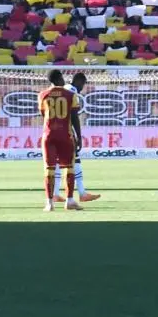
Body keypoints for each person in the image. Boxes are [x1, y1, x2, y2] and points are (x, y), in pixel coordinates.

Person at [54, 72, 101, 204]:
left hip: (54, 130)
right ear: (80, 82)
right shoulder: (72, 93)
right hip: (66, 132)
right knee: (76, 162)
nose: (83, 87)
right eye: (83, 84)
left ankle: (55, 193)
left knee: (57, 163)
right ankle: (82, 193)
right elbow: (73, 116)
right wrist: (78, 136)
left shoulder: (62, 90)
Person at [39, 70, 81, 212]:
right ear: (58, 79)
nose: (64, 80)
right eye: (62, 77)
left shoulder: (42, 95)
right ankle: (69, 201)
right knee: (69, 167)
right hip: (65, 135)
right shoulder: (70, 95)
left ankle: (49, 203)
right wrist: (79, 136)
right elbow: (75, 117)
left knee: (49, 169)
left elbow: (43, 114)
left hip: (48, 135)